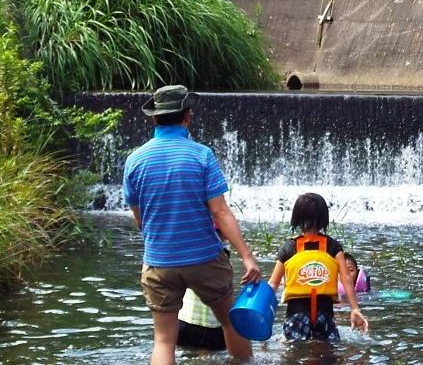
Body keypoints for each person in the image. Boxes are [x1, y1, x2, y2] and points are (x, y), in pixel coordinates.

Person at [122, 84, 261, 365]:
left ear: (154, 118)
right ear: (187, 116)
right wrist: (247, 257)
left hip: (160, 260)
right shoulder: (201, 155)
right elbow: (220, 213)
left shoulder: (135, 161)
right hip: (205, 259)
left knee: (163, 340)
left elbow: (140, 218)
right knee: (231, 323)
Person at [269, 192, 369, 341]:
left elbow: (273, 284)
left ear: (296, 218)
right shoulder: (333, 247)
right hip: (325, 315)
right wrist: (354, 308)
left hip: (296, 315)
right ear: (324, 218)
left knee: (294, 353)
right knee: (327, 353)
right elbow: (346, 277)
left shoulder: (288, 248)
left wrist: (260, 309)